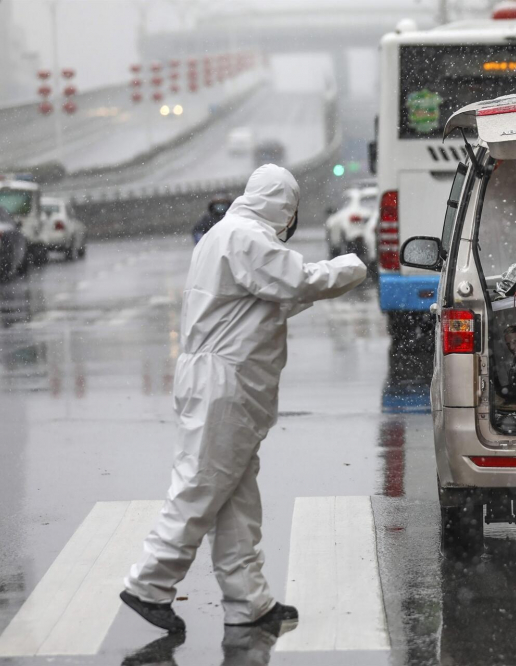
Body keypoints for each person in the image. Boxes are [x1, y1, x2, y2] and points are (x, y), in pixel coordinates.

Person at [120, 165, 367, 633]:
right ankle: (148, 584)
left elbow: (269, 298)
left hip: (222, 380)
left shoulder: (225, 235)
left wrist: (320, 283)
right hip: (224, 383)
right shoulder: (244, 237)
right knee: (201, 485)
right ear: (284, 207)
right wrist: (351, 265)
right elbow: (296, 281)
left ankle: (247, 601)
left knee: (235, 498)